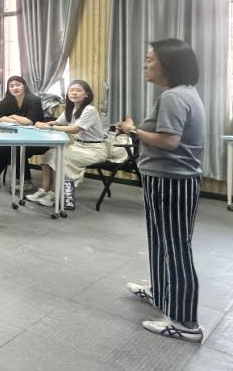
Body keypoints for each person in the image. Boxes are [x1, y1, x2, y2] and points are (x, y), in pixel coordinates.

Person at [118, 40, 205, 342]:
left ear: (169, 65)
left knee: (176, 246)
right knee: (160, 239)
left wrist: (132, 130)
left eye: (150, 60)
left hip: (172, 180)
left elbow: (169, 141)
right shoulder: (183, 93)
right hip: (166, 178)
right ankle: (160, 291)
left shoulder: (173, 97)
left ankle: (185, 322)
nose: (145, 64)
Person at [32, 80, 107, 207]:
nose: (74, 93)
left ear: (87, 94)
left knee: (61, 157)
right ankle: (43, 190)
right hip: (78, 146)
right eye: (71, 90)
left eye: (78, 90)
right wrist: (43, 124)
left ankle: (54, 194)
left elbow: (74, 129)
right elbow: (58, 122)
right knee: (50, 154)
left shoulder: (90, 110)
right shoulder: (71, 108)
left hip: (94, 150)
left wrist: (49, 127)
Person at [0, 76, 46, 188]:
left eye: (18, 85)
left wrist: (14, 116)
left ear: (24, 86)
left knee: (18, 148)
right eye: (11, 86)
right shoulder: (8, 100)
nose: (15, 88)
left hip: (38, 139)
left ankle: (26, 182)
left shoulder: (34, 100)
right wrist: (18, 121)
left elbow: (30, 121)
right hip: (18, 137)